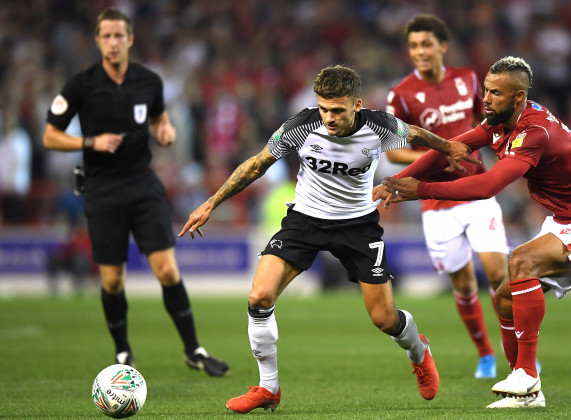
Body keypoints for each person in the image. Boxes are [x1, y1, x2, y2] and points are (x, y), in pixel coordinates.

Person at [180, 65, 474, 413]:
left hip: (358, 226)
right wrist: (212, 203)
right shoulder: (301, 126)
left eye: (337, 110)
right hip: (305, 220)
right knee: (259, 296)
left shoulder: (379, 126)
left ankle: (419, 351)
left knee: (384, 319)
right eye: (324, 109)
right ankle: (268, 388)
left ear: (357, 105)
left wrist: (448, 148)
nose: (329, 118)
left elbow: (417, 134)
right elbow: (257, 164)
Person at [377, 56, 571, 408]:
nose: (486, 99)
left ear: (519, 97)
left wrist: (422, 190)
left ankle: (527, 375)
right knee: (505, 295)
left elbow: (487, 186)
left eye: (495, 92)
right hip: (562, 219)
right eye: (486, 90)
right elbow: (451, 148)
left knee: (519, 261)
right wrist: (397, 181)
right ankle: (526, 393)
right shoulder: (499, 121)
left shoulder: (534, 132)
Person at [43, 8, 229, 376]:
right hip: (102, 189)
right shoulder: (81, 85)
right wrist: (91, 141)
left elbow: (160, 119)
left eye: (119, 36)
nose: (113, 42)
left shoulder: (149, 82)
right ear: (97, 41)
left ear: (129, 39)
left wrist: (166, 131)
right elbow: (50, 135)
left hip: (143, 185)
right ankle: (123, 352)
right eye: (106, 36)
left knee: (167, 270)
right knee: (112, 279)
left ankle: (194, 349)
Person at [386, 14, 509, 379]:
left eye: (426, 44)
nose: (419, 52)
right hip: (436, 201)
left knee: (499, 274)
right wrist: (441, 155)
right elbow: (394, 151)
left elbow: (487, 123)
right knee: (463, 283)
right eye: (413, 46)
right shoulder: (402, 94)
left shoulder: (469, 79)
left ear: (442, 46)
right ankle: (485, 354)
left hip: (477, 192)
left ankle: (518, 355)